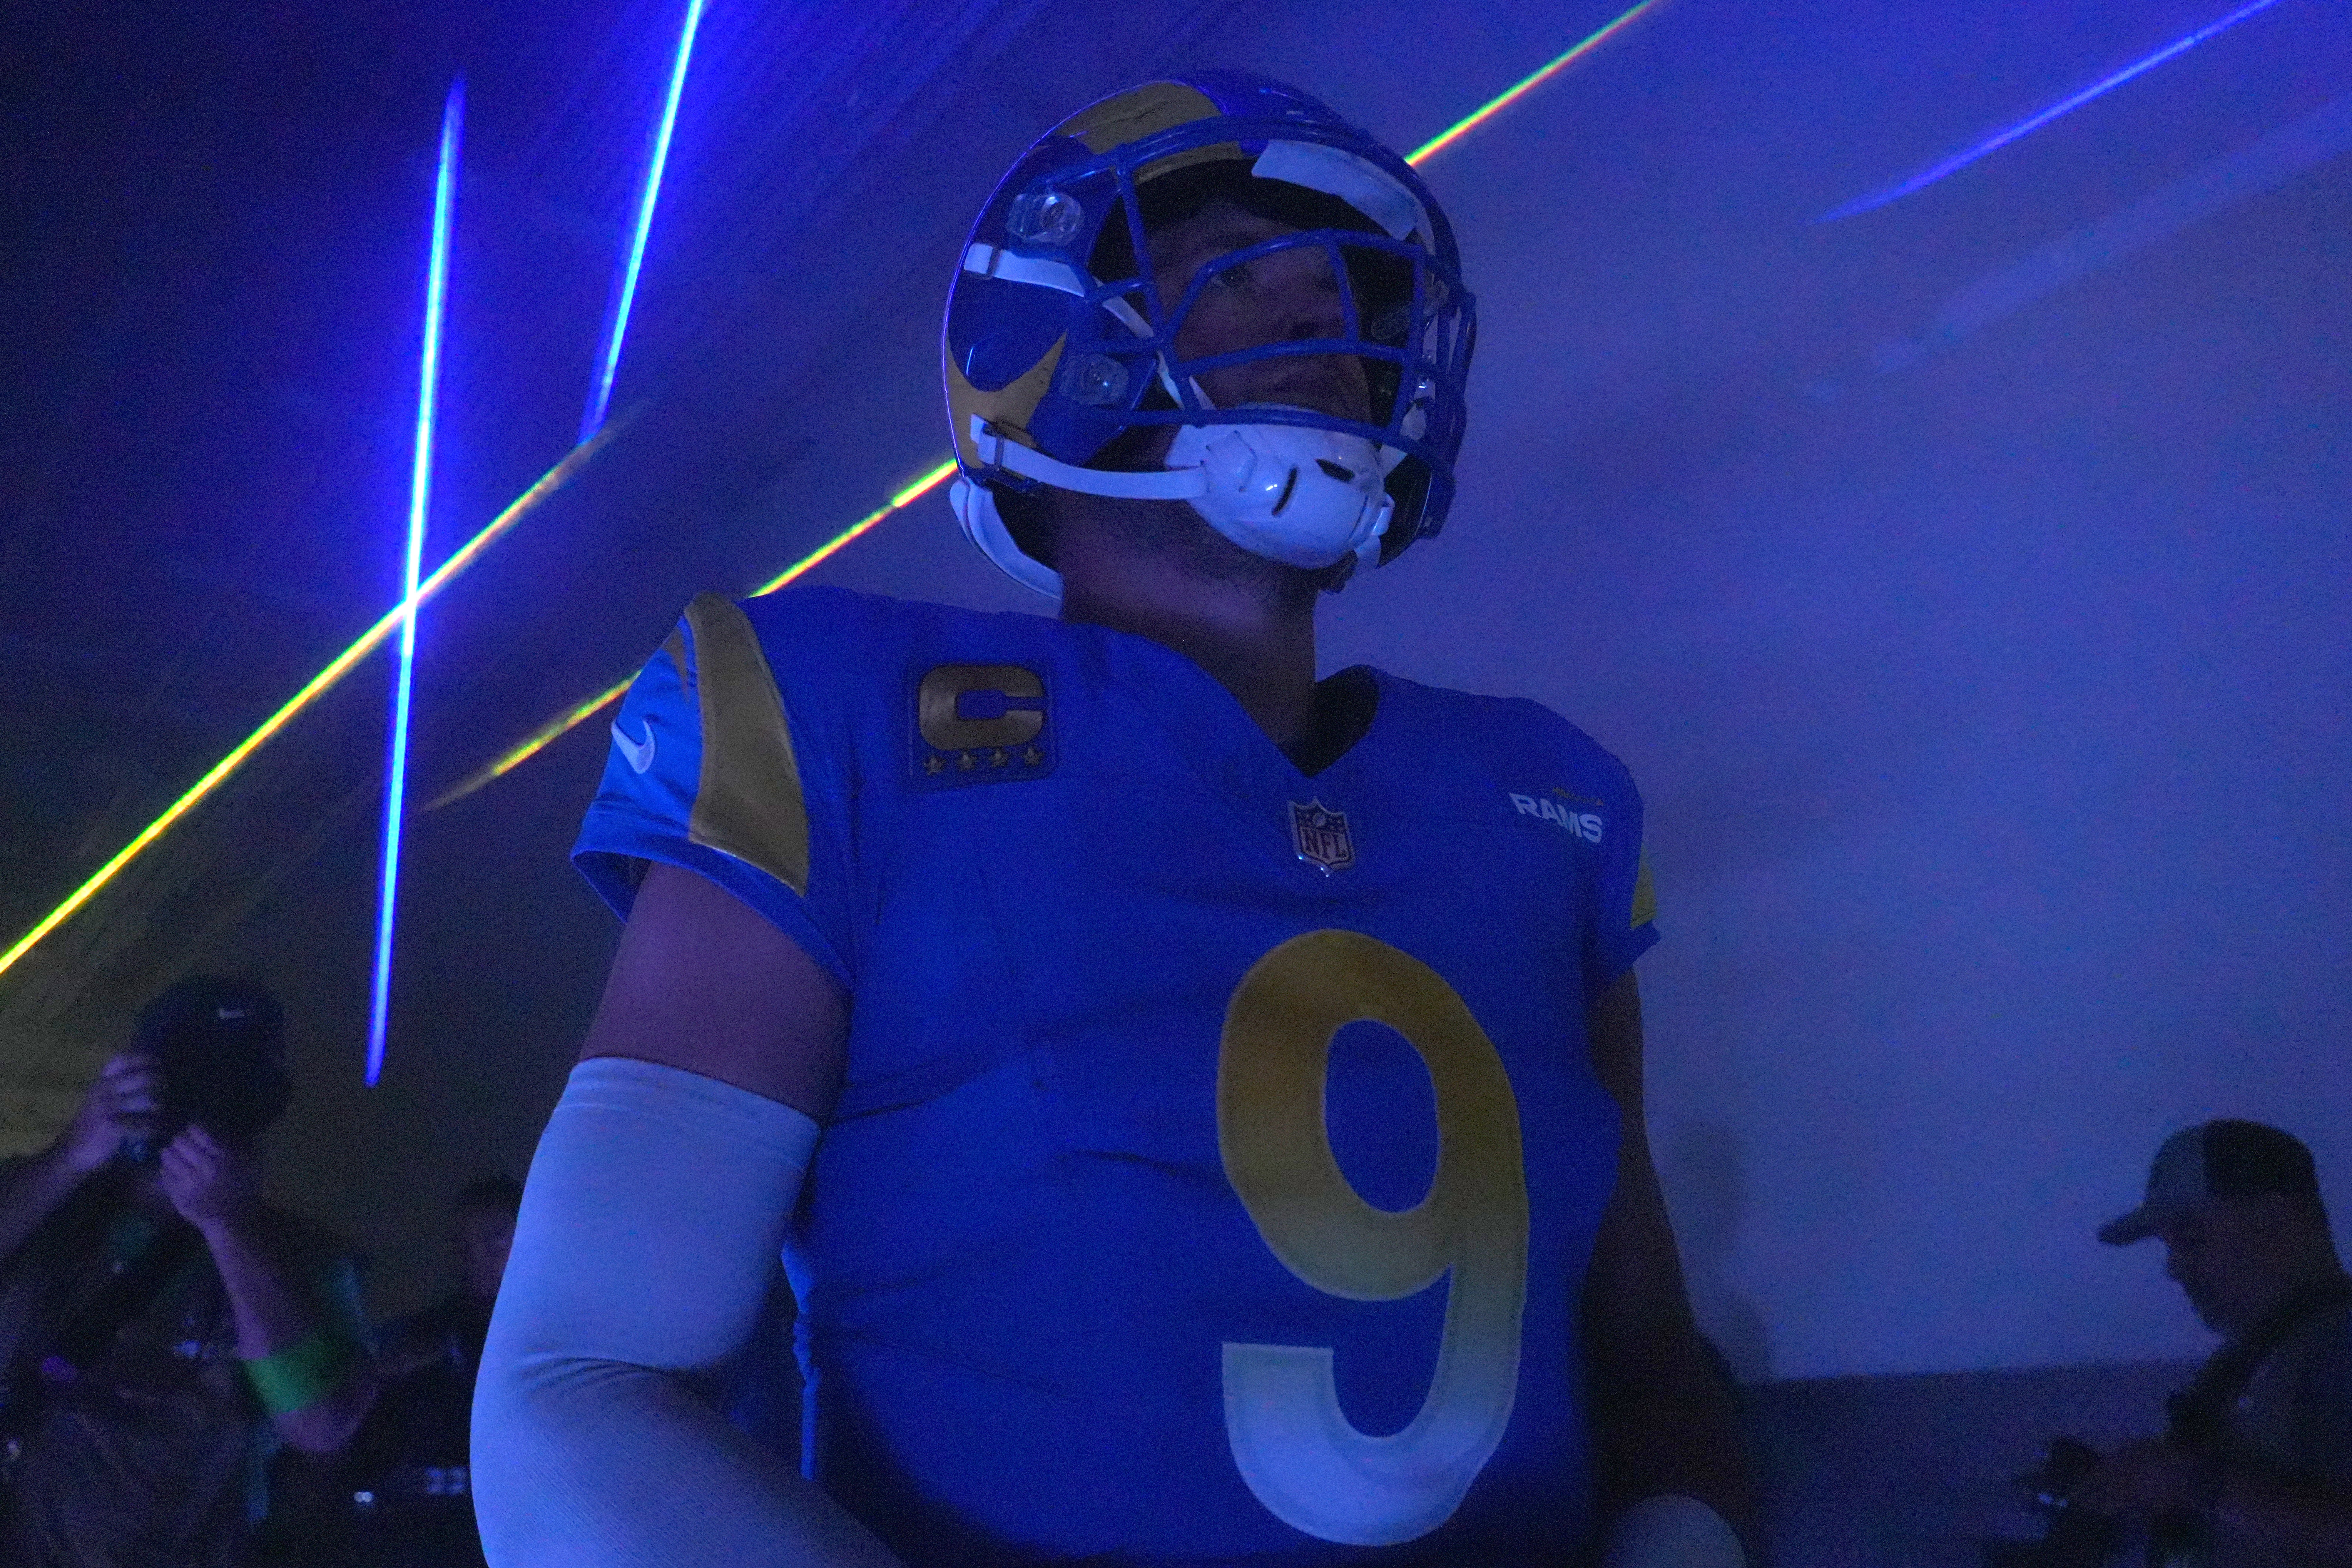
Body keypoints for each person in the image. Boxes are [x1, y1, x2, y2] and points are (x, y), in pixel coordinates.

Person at [475, 72, 1756, 1568]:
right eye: (1234, 256)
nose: (1317, 306)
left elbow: (1650, 1360)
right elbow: (575, 1396)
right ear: (1045, 338)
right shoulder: (826, 718)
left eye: (1346, 280)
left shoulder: (1552, 806)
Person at [0, 975, 375, 1567]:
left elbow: (322, 1427)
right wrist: (72, 1153)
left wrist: (228, 1229)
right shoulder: (50, 1213)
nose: (209, 1104)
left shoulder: (300, 1254)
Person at [2077, 1120, 2352, 1566]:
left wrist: (2196, 1486)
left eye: (2190, 1238)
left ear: (2277, 1218)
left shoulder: (2335, 1344)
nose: (2174, 1268)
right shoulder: (2259, 1357)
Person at [277, 1176, 519, 1567]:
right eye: (463, 1246)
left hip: (510, 1528)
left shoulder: (562, 1341)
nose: (477, 1258)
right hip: (411, 1530)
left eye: (496, 1241)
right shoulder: (423, 1336)